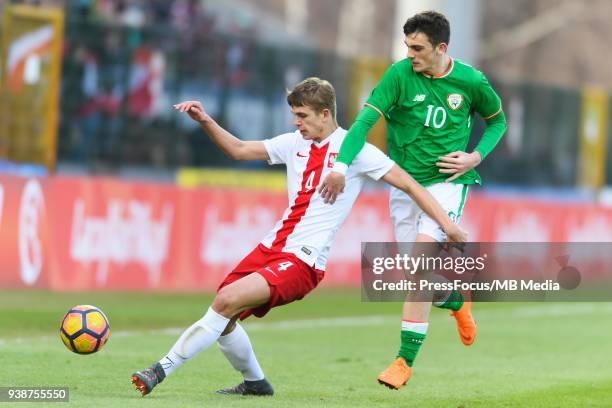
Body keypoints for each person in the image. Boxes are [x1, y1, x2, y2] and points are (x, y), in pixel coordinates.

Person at [131, 77, 466, 397]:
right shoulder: (293, 144)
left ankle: (160, 369)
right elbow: (238, 149)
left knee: (225, 302)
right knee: (225, 315)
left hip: (303, 260)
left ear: (325, 114)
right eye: (294, 115)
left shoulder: (357, 150)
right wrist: (205, 120)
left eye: (302, 115)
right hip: (271, 246)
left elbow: (409, 184)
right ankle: (255, 383)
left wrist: (446, 225)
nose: (297, 123)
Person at [319, 11, 507, 390]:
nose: (410, 54)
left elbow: (498, 121)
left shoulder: (470, 81)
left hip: (447, 184)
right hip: (404, 186)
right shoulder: (398, 75)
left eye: (418, 47)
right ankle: (454, 299)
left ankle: (403, 361)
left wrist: (476, 156)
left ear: (441, 48)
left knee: (417, 266)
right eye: (407, 46)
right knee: (412, 272)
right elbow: (362, 123)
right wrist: (340, 166)